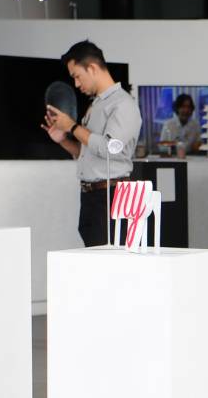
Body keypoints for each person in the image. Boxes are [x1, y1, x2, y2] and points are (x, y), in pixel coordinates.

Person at [43, 40, 141, 246]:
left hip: (111, 196)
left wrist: (72, 127)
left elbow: (108, 149)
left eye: (77, 76)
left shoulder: (123, 104)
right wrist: (63, 140)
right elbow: (87, 152)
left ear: (93, 68)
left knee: (108, 260)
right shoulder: (97, 105)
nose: (77, 84)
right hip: (92, 196)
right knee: (94, 257)